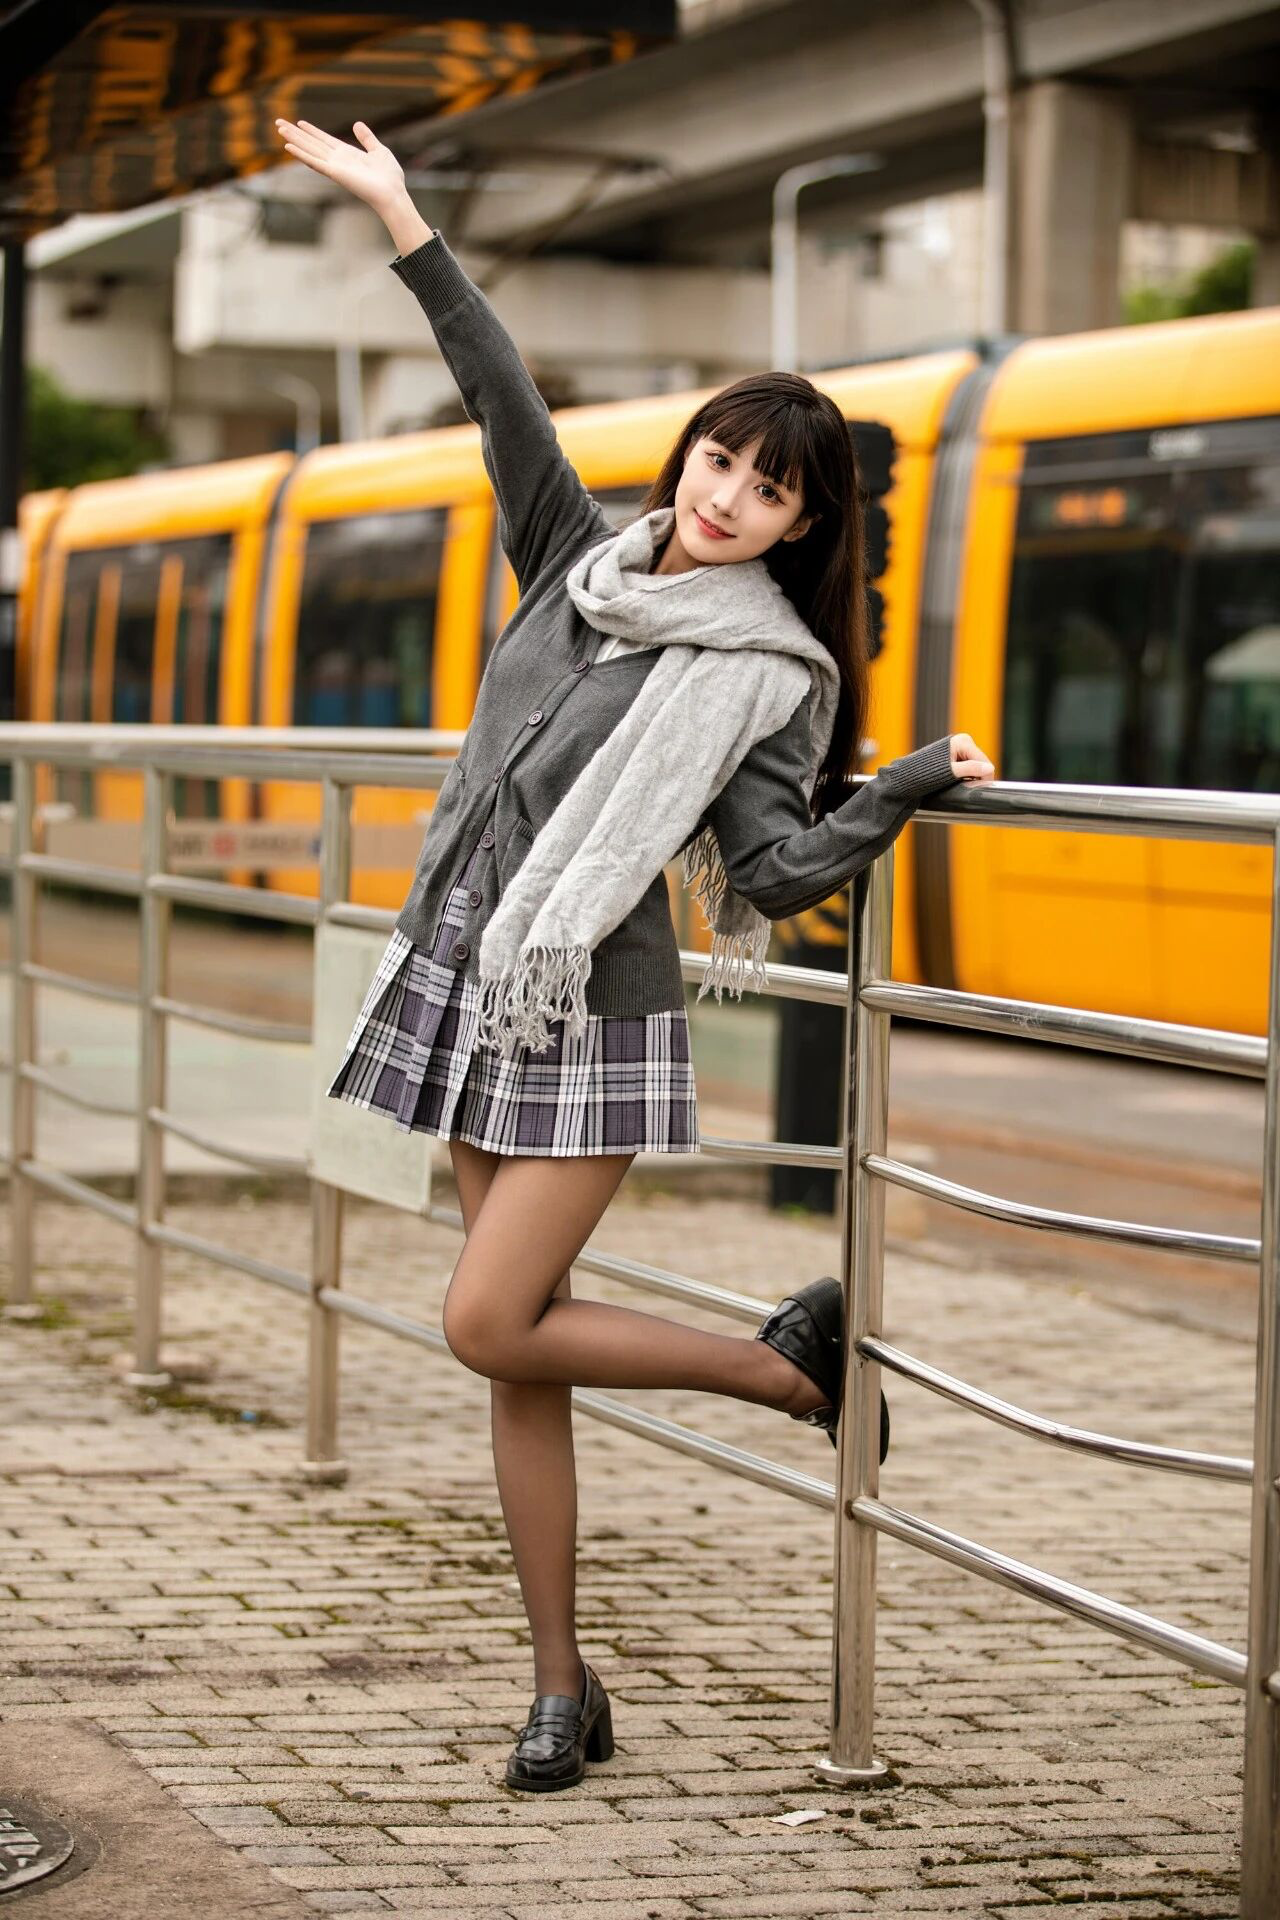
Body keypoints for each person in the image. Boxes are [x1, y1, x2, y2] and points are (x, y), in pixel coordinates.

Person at [276, 116, 997, 1794]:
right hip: (460, 972)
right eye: (722, 462)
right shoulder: (571, 553)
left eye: (772, 491)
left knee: (484, 1319)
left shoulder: (766, 672)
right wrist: (403, 217)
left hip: (585, 1014)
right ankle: (560, 1684)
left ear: (804, 524)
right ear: (686, 454)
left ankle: (786, 1375)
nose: (731, 500)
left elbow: (776, 864)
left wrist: (898, 785)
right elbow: (494, 383)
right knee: (521, 1349)